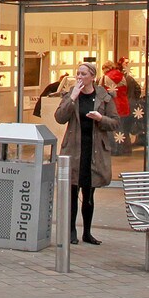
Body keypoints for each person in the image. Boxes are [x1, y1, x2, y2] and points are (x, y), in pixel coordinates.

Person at [53, 60, 118, 245]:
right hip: (74, 149)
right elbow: (59, 118)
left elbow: (115, 122)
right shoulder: (71, 94)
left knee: (89, 194)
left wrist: (100, 118)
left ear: (92, 77)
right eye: (78, 73)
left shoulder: (104, 96)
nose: (79, 77)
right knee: (73, 191)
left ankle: (87, 232)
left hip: (94, 150)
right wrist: (72, 97)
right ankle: (71, 231)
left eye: (83, 74)